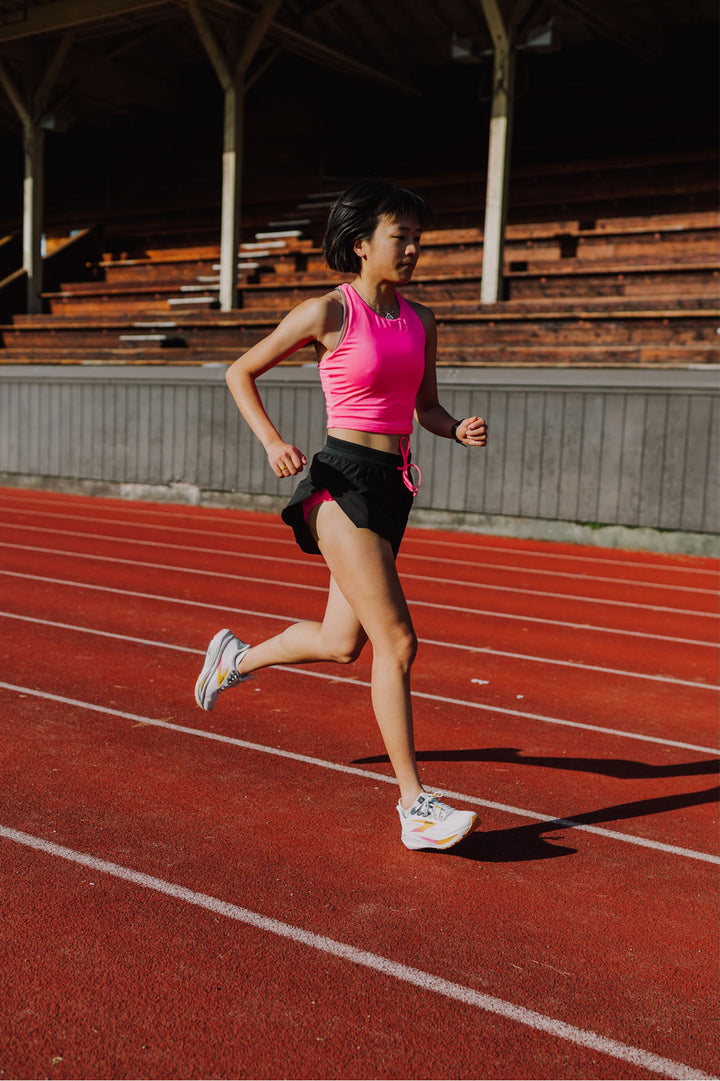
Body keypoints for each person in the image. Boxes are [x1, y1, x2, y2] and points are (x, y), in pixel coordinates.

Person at [194, 179, 488, 851]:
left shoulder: (422, 321)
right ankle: (414, 803)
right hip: (339, 483)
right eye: (400, 236)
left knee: (341, 642)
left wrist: (455, 428)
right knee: (399, 641)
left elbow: (425, 408)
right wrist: (272, 440)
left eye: (418, 237)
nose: (413, 248)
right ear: (362, 245)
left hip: (394, 485)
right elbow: (240, 371)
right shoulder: (328, 312)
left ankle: (236, 658)